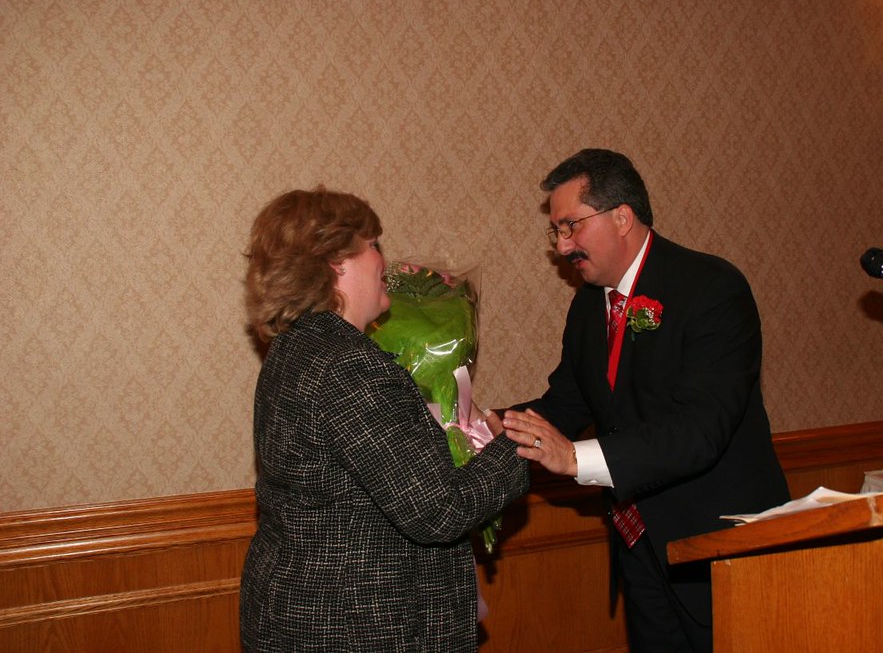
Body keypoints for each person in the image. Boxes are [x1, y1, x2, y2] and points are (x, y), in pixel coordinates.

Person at [500, 149, 789, 652]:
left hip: (720, 549)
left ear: (621, 217)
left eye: (570, 227)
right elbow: (568, 403)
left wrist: (573, 458)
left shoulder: (712, 288)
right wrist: (491, 424)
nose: (562, 246)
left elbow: (701, 430)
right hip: (640, 548)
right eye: (557, 232)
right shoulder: (589, 304)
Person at [239, 187, 530, 652]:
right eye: (374, 244)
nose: (384, 262)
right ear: (336, 261)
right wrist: (513, 446)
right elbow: (439, 512)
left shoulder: (295, 351)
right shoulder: (347, 366)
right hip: (359, 625)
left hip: (305, 613)